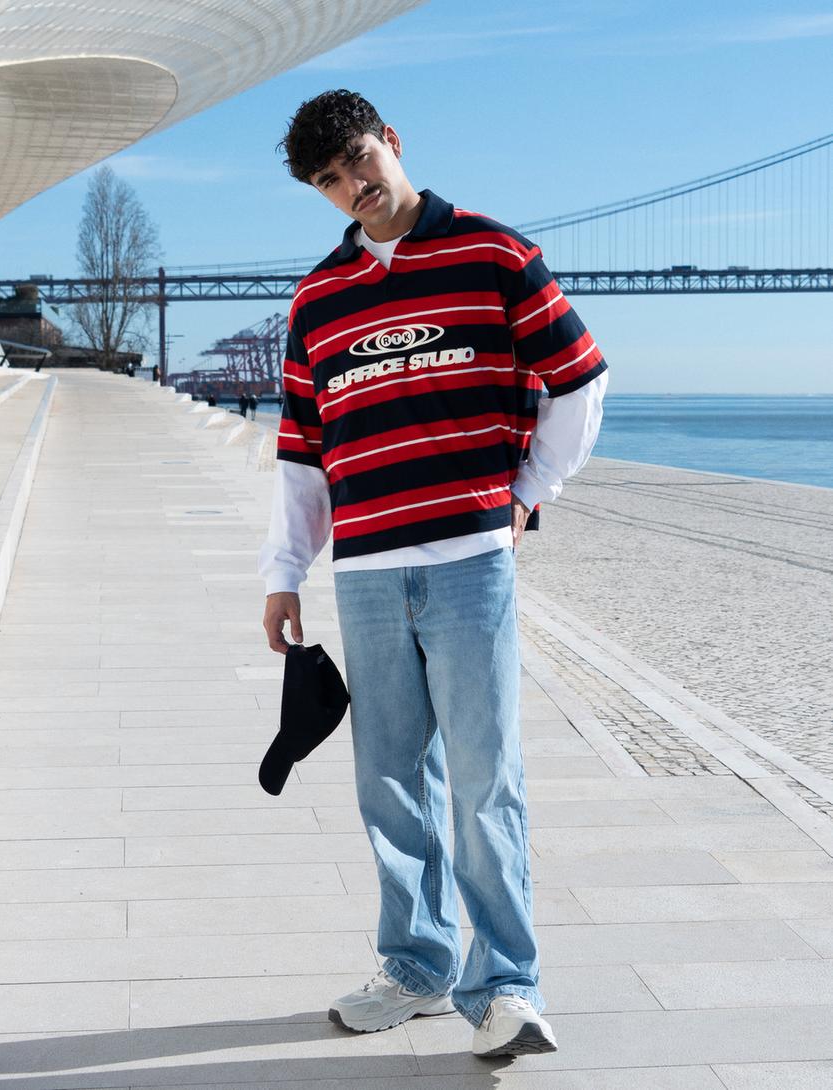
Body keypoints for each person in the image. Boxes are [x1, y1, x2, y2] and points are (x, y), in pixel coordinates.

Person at [259, 90, 607, 1059]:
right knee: (388, 781)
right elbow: (302, 452)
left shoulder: (495, 254)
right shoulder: (316, 301)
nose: (352, 187)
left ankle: (507, 988)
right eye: (329, 181)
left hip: (468, 564)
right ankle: (417, 965)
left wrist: (526, 493)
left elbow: (580, 381)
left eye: (359, 161)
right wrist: (284, 570)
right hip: (366, 572)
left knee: (485, 780)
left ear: (392, 141)